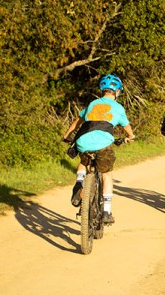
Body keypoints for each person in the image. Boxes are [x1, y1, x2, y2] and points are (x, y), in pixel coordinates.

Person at [62, 74, 135, 225]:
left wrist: (67, 135)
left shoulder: (92, 103)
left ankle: (79, 182)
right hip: (103, 144)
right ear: (117, 91)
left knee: (84, 159)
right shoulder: (118, 108)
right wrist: (130, 136)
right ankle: (107, 211)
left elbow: (77, 121)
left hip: (83, 140)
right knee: (106, 174)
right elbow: (126, 127)